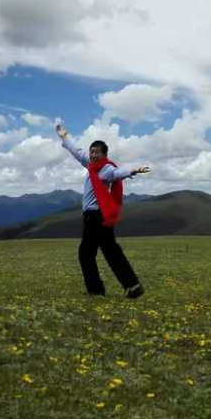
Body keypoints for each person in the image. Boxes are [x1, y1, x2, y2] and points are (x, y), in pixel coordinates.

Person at [56, 123, 150, 298]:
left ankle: (96, 290)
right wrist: (64, 136)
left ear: (104, 155)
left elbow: (117, 173)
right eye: (91, 151)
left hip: (96, 216)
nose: (92, 155)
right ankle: (133, 286)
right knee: (111, 250)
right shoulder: (91, 165)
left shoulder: (105, 169)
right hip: (96, 217)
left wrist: (132, 170)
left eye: (96, 152)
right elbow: (76, 151)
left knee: (86, 253)